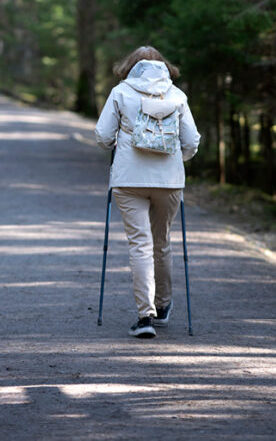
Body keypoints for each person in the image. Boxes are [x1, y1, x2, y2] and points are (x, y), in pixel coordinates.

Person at [94, 46, 200, 338]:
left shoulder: (120, 92)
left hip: (129, 178)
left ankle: (145, 317)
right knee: (161, 243)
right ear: (165, 66)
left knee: (139, 245)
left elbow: (103, 136)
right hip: (169, 180)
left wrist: (115, 144)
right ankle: (163, 306)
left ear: (130, 65)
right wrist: (178, 159)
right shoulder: (177, 95)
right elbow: (191, 141)